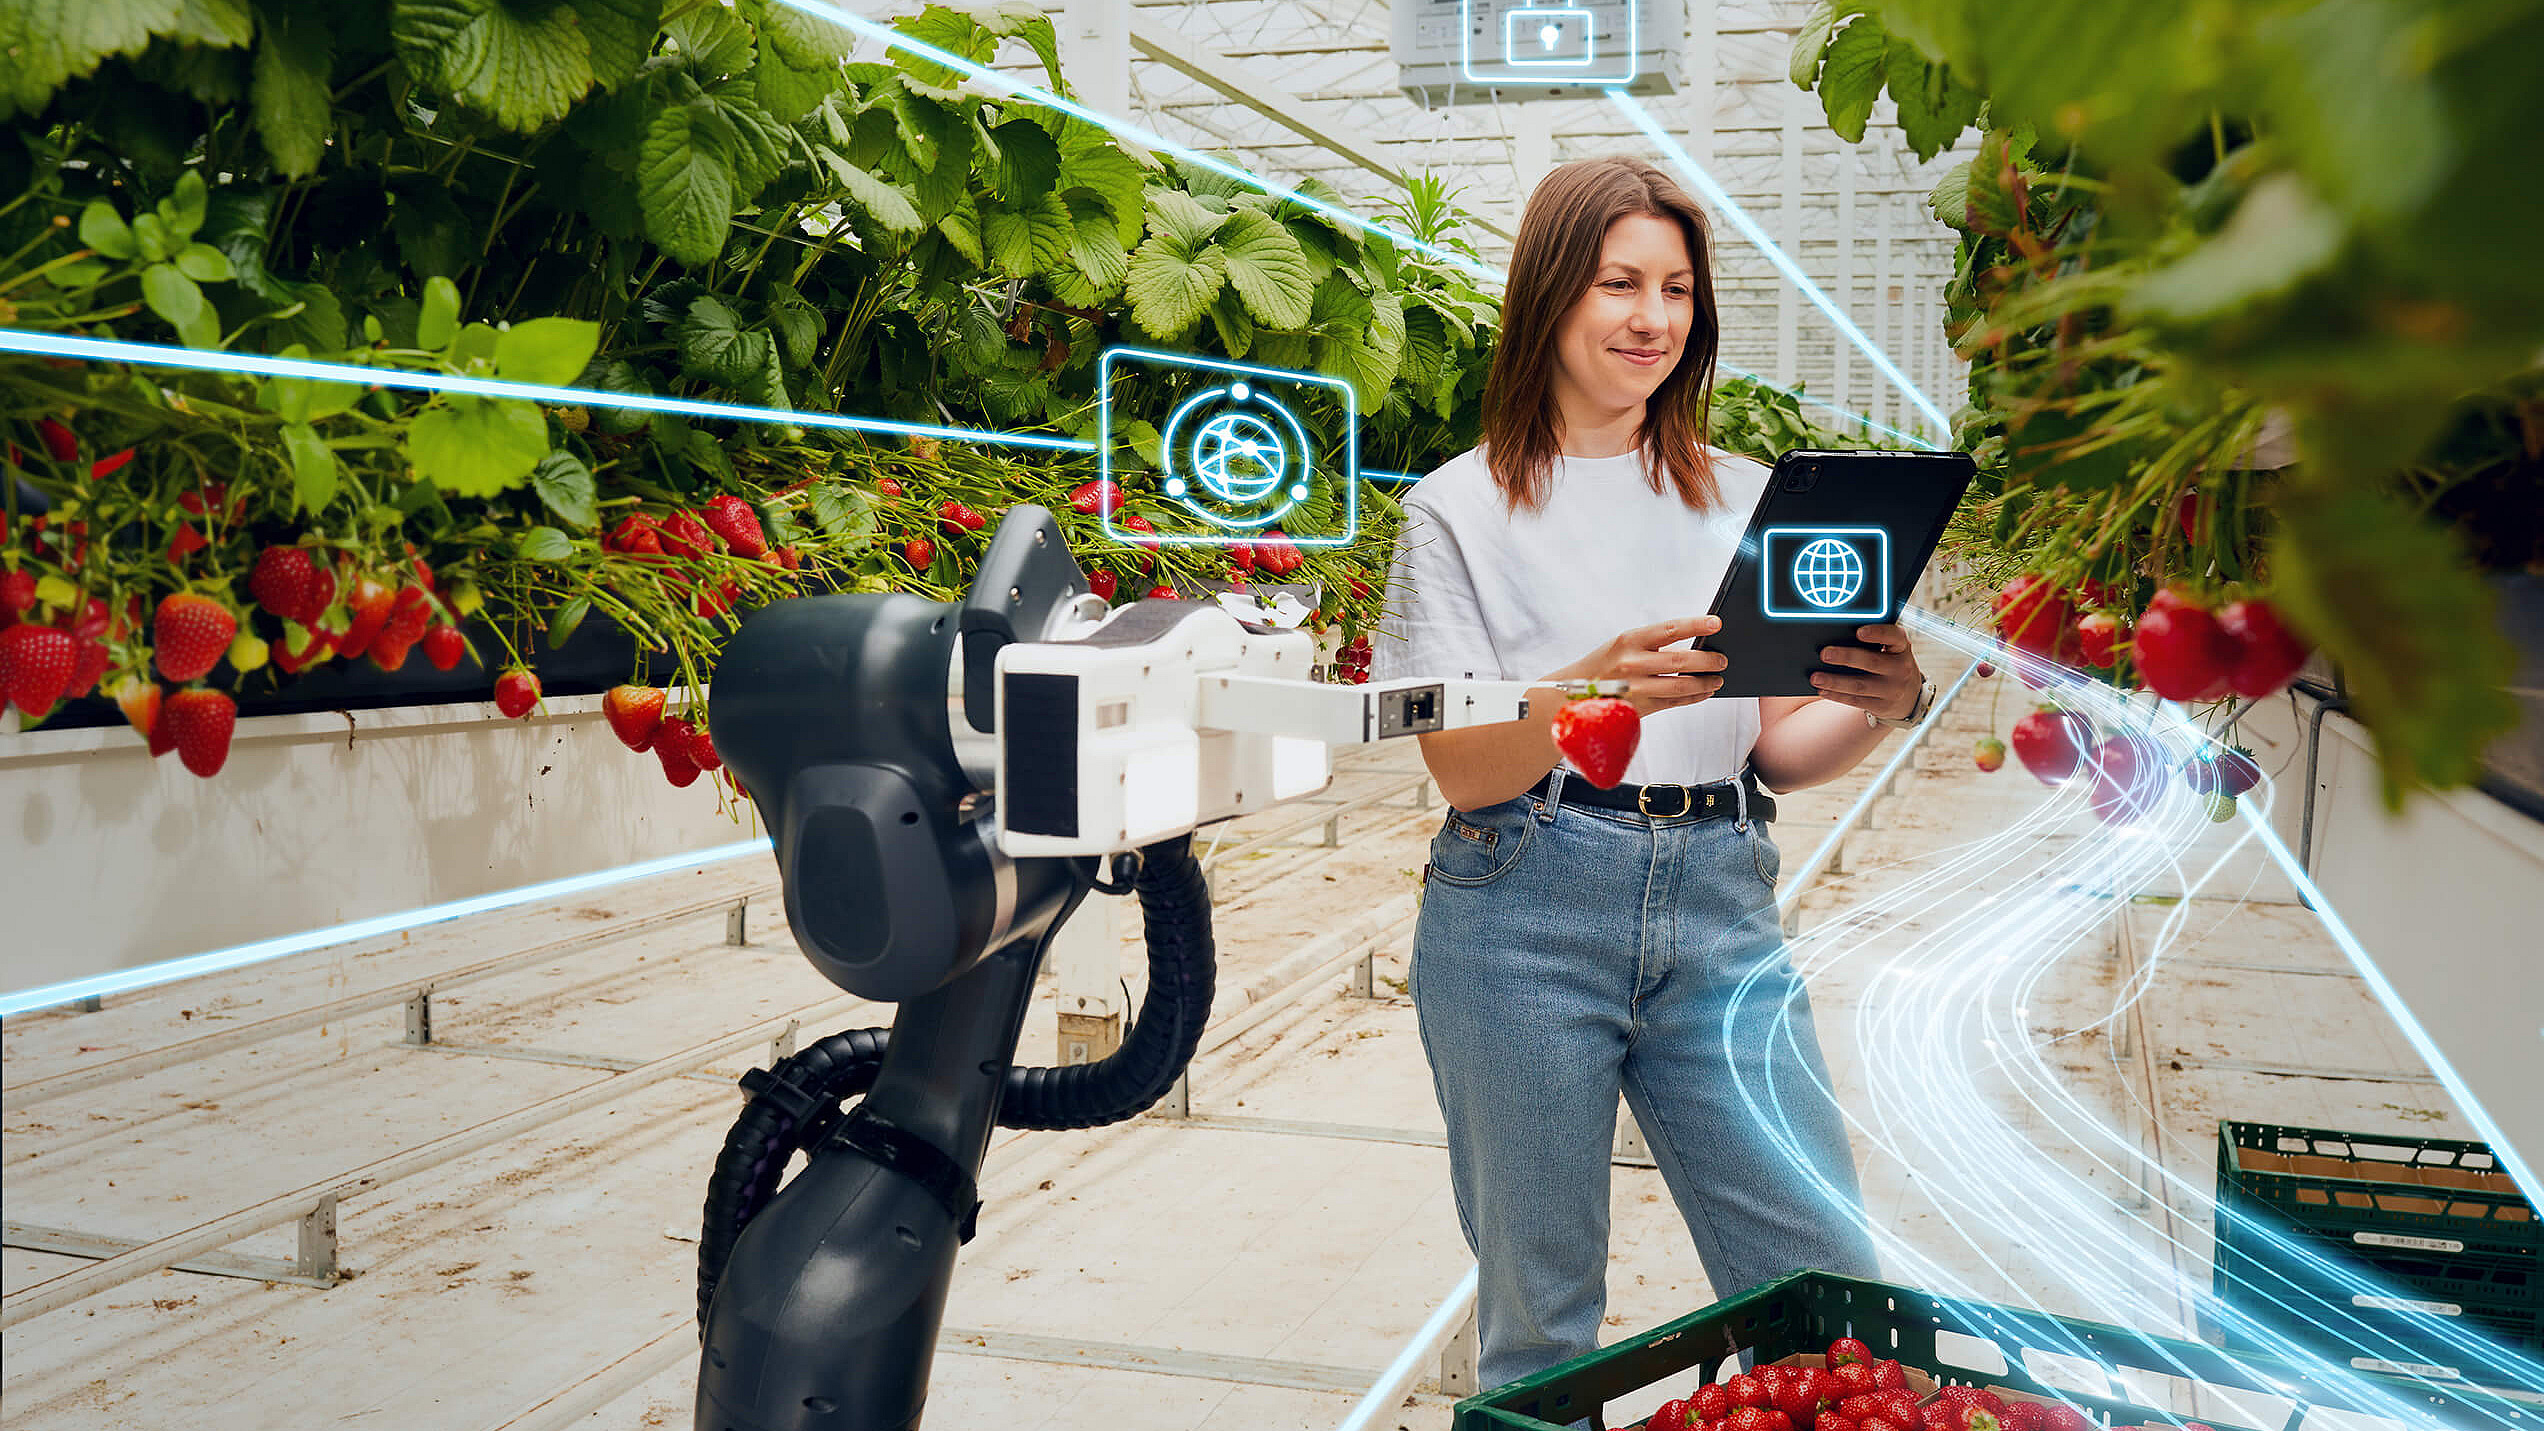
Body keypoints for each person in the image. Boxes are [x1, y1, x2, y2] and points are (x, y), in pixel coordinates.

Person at [1370, 157, 1934, 1397]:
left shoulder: (1749, 500)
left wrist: (1875, 705)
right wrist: (1590, 691)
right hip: (1522, 906)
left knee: (1824, 1282)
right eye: (1619, 283)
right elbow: (1463, 770)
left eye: (1678, 289)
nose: (1653, 319)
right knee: (1542, 1311)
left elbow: (1778, 747)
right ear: (1550, 296)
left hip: (1721, 901)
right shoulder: (1456, 512)